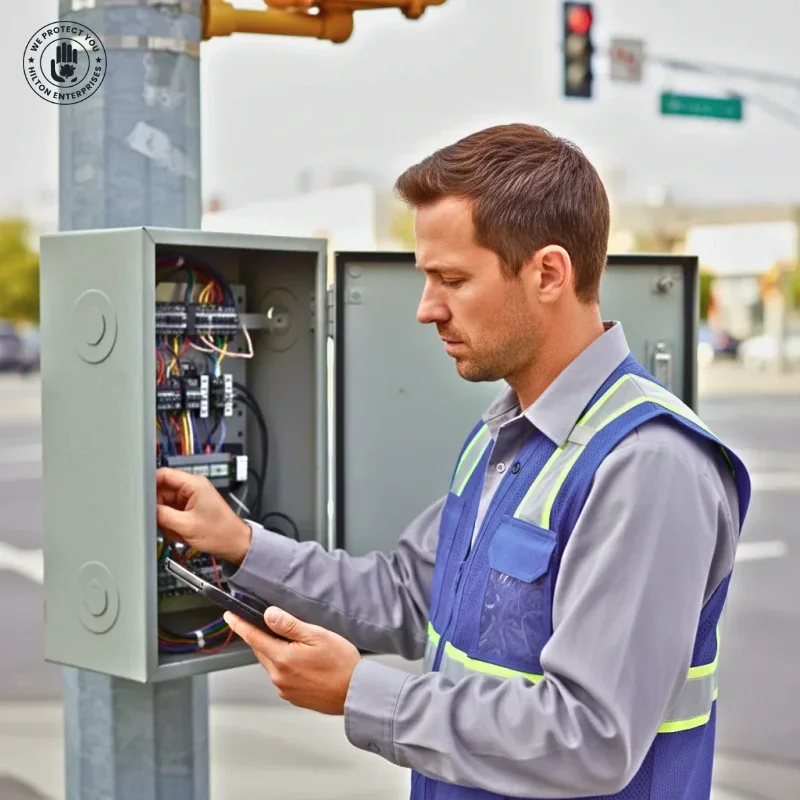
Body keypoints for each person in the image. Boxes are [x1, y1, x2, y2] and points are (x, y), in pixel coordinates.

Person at [156, 123, 751, 800]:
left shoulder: (648, 466)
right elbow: (409, 595)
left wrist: (362, 693)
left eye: (452, 279)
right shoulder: (503, 435)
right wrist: (238, 544)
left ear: (548, 273)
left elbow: (592, 738)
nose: (424, 309)